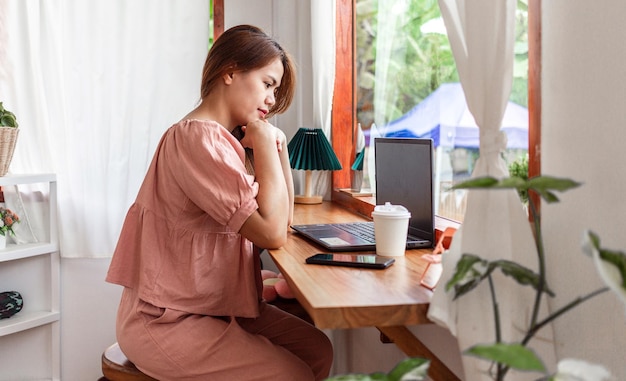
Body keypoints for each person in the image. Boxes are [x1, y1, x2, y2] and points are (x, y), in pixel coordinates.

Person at [106, 24, 333, 380]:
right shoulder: (198, 140)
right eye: (268, 83)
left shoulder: (227, 142)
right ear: (230, 72)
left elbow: (283, 222)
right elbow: (273, 234)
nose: (272, 99)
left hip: (212, 310)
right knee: (293, 373)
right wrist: (262, 140)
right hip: (166, 321)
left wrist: (277, 145)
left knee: (316, 351)